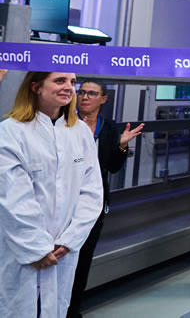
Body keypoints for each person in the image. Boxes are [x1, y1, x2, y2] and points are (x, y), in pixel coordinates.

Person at [0, 71, 103, 317]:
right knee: (18, 309)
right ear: (35, 87)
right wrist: (36, 248)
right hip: (22, 249)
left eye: (72, 82)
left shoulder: (79, 132)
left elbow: (91, 192)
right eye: (60, 81)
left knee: (57, 308)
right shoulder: (11, 132)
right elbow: (12, 198)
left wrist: (70, 239)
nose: (69, 87)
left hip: (63, 249)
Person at [68, 80, 144, 318]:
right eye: (81, 93)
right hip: (64, 201)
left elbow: (112, 167)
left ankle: (73, 310)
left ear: (103, 99)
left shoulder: (108, 128)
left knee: (83, 260)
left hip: (93, 204)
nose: (85, 97)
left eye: (92, 93)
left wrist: (121, 147)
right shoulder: (65, 124)